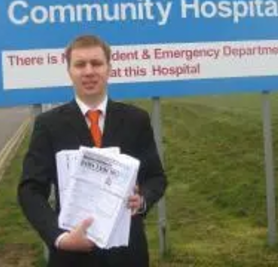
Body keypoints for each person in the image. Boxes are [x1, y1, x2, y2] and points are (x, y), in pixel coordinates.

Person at [18, 34, 167, 267]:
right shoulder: (49, 125)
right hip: (71, 256)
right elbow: (30, 189)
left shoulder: (136, 120)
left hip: (128, 254)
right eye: (80, 64)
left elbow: (156, 177)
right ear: (69, 71)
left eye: (96, 63)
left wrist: (143, 200)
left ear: (109, 69)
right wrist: (59, 237)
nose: (89, 71)